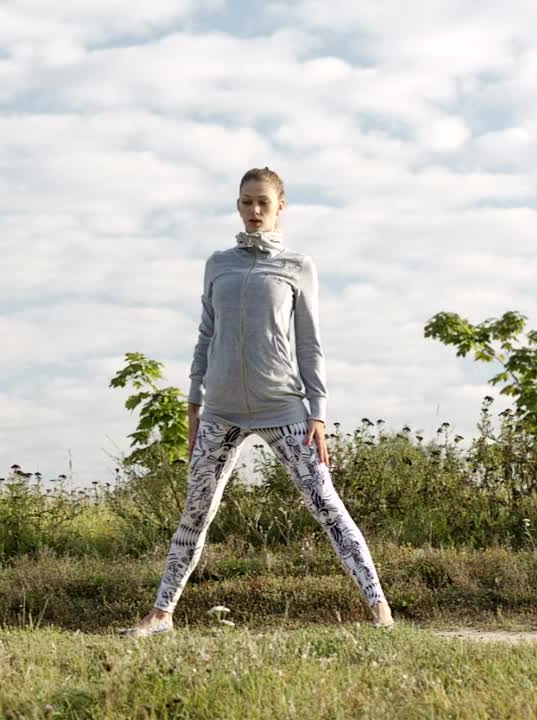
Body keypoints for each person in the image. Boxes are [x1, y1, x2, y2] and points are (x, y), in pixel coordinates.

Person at [123, 168, 393, 636]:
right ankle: (162, 614)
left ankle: (380, 610)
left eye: (263, 203)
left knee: (326, 503)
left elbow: (310, 343)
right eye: (246, 202)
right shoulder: (218, 264)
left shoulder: (297, 266)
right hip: (221, 411)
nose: (254, 211)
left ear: (280, 207)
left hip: (283, 408)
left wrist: (318, 412)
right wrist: (193, 404)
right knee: (196, 511)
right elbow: (206, 334)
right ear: (238, 204)